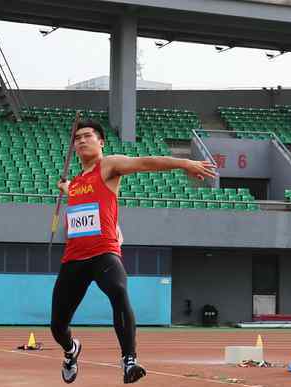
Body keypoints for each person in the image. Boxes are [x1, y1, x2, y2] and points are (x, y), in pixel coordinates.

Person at [52, 120, 216, 384]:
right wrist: (65, 188)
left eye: (88, 136)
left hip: (104, 252)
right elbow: (76, 194)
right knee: (57, 327)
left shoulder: (108, 166)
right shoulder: (78, 182)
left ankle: (129, 360)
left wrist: (184, 163)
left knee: (118, 291)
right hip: (74, 258)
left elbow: (147, 162)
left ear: (101, 142)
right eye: (77, 138)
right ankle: (71, 350)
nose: (81, 141)